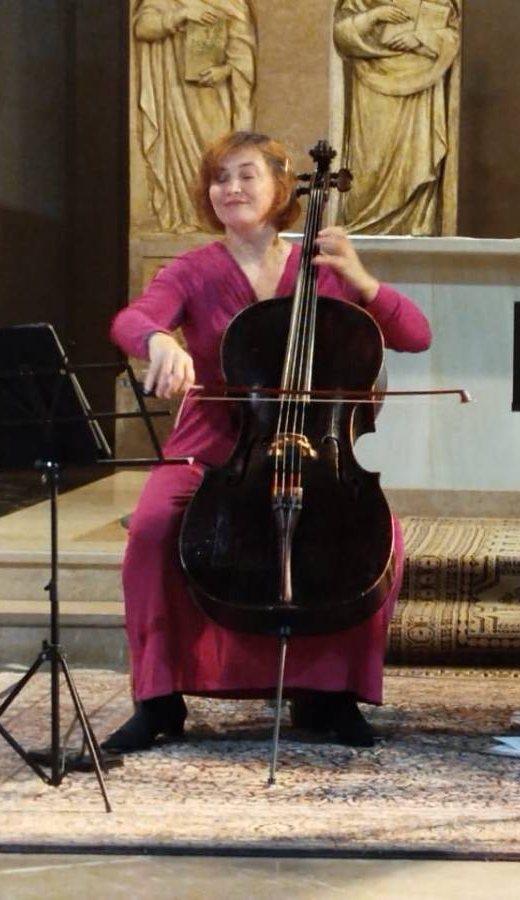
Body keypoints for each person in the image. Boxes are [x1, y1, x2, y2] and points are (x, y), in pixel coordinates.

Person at [103, 131, 431, 753]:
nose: (230, 189)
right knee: (150, 531)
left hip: (317, 453)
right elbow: (132, 318)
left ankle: (331, 695)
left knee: (376, 542)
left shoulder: (323, 270)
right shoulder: (193, 270)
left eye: (245, 175)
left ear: (281, 187)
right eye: (219, 178)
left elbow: (415, 335)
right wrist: (159, 341)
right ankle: (157, 698)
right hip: (211, 447)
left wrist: (362, 279)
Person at [333, 0, 461, 235]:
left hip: (423, 84)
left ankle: (415, 225)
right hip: (371, 84)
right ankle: (364, 225)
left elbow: (453, 32)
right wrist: (373, 16)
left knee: (417, 158)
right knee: (370, 163)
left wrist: (422, 38)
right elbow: (341, 33)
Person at [133, 0, 257, 234]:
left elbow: (243, 52)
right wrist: (181, 15)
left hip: (215, 96)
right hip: (175, 97)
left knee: (216, 152)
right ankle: (186, 216)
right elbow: (142, 27)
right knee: (181, 161)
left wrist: (226, 70)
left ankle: (219, 219)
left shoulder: (233, 3)